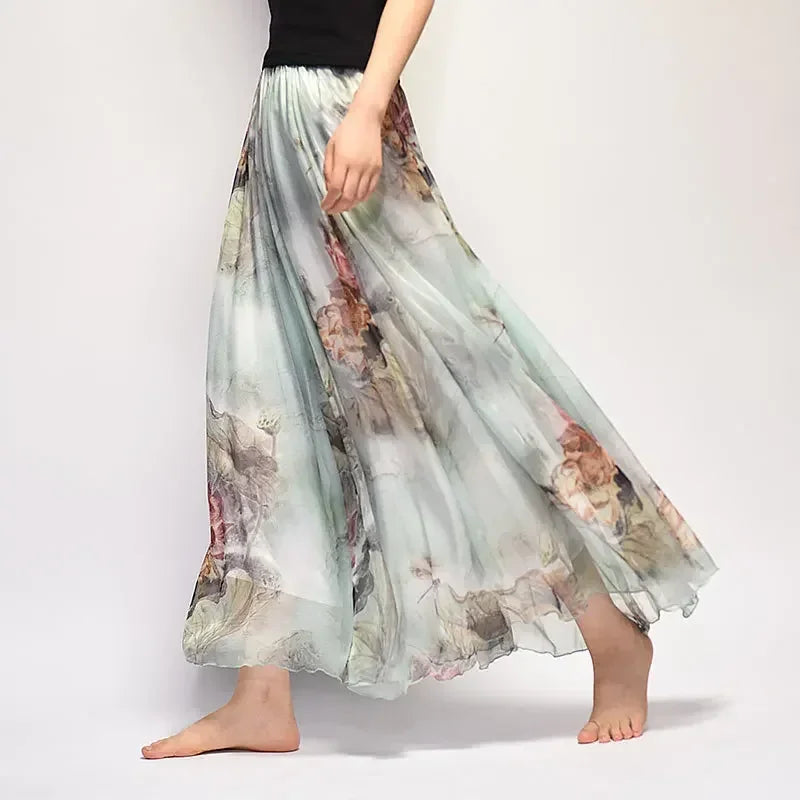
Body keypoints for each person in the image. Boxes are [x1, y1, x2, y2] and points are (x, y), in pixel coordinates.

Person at [142, 0, 717, 759]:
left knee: (455, 388)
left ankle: (611, 633)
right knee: (264, 392)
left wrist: (367, 106)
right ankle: (261, 695)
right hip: (279, 111)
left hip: (343, 109)